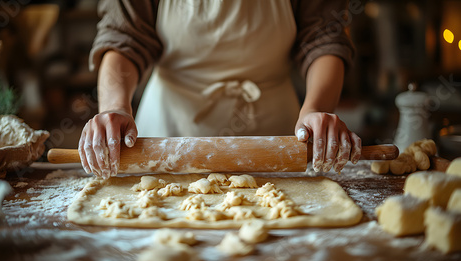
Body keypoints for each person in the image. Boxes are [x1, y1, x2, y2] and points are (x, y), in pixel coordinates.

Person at [79, 0, 362, 179]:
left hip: (277, 139)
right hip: (168, 133)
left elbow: (324, 37)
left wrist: (315, 109)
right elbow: (125, 37)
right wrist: (115, 106)